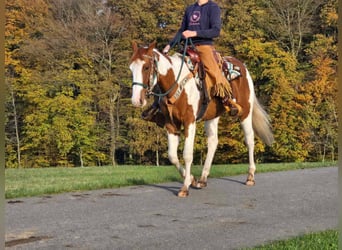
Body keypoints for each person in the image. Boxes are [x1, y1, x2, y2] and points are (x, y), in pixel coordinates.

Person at [142, 0, 240, 124]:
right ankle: (158, 107)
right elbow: (181, 31)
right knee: (165, 70)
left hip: (204, 47)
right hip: (187, 48)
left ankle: (227, 100)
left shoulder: (213, 7)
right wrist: (169, 46)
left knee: (214, 71)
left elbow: (216, 31)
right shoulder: (190, 9)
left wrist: (194, 33)